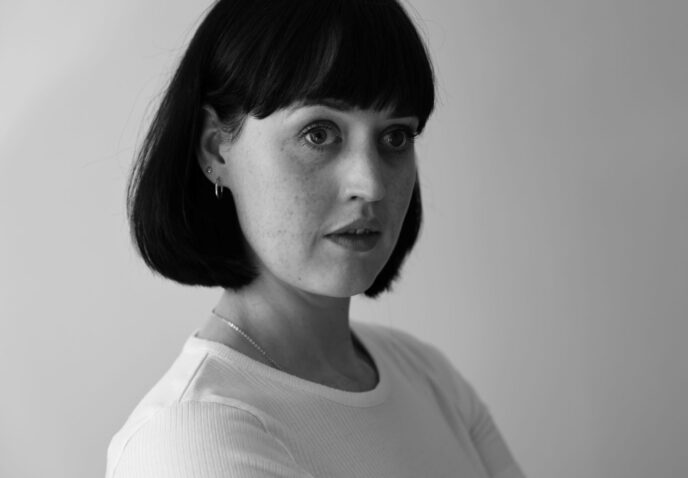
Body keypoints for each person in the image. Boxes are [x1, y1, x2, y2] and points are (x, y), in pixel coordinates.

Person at [106, 0, 525, 477]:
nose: (370, 185)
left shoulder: (429, 377)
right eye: (319, 134)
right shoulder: (192, 441)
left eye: (394, 138)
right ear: (216, 149)